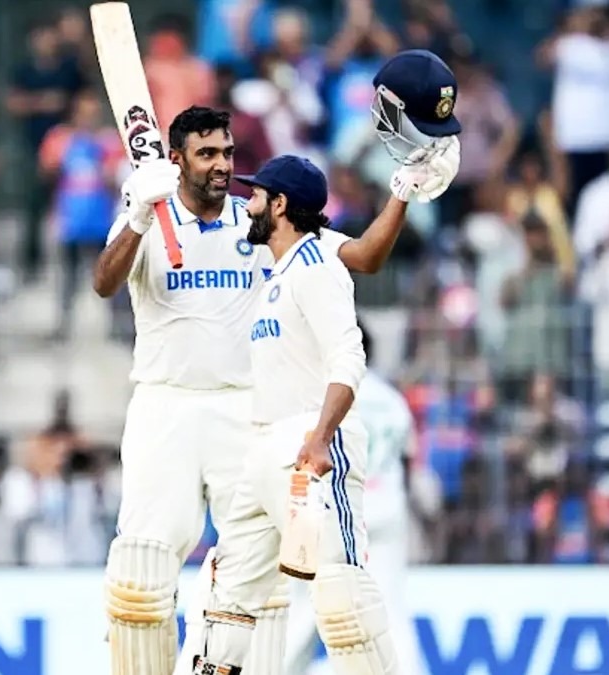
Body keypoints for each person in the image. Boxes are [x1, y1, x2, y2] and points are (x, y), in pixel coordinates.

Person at [96, 49, 461, 675]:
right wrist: (133, 217)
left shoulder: (264, 224)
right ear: (176, 158)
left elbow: (363, 257)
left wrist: (403, 191)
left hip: (249, 411)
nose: (221, 166)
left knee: (258, 589)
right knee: (141, 577)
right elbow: (104, 284)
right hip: (166, 403)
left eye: (228, 154)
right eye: (207, 154)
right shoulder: (149, 216)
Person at [185, 155, 393, 674]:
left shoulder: (318, 266)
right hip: (263, 455)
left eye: (256, 196)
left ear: (279, 205)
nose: (247, 202)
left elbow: (349, 358)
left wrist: (321, 437)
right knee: (228, 596)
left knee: (342, 596)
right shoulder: (279, 269)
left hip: (310, 448)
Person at [281, 320, 422, 674]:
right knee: (390, 607)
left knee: (307, 608)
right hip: (387, 507)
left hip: (336, 507)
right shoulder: (393, 400)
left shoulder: (327, 397)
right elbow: (406, 460)